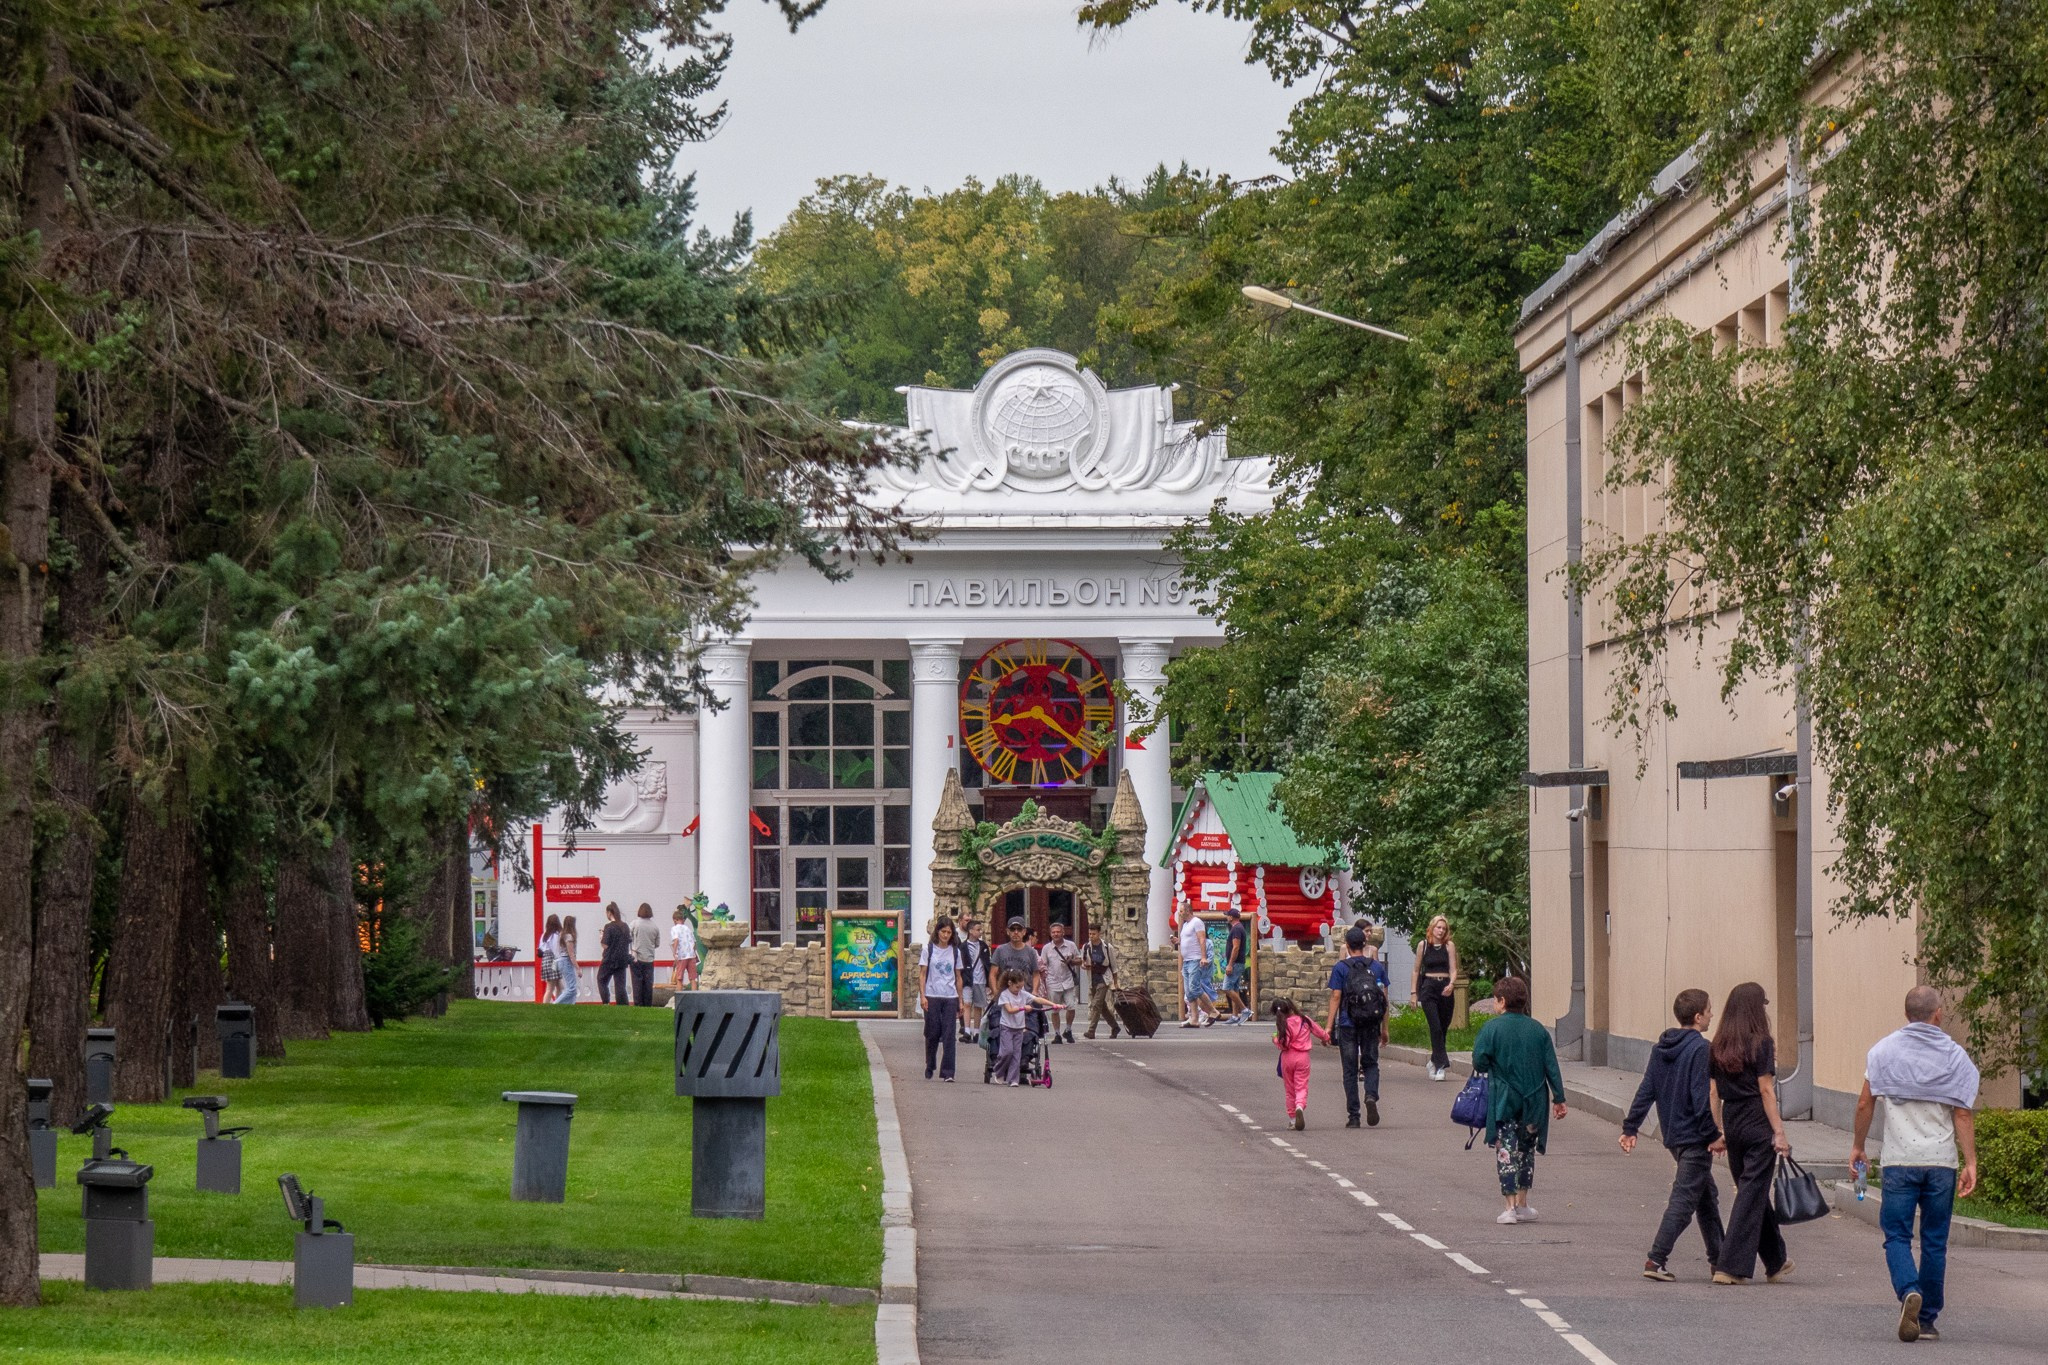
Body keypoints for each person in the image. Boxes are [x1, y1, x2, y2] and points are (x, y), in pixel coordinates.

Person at [1852, 985, 1981, 1343]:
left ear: (1906, 1014)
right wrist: (1970, 1161)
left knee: (1896, 1234)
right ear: (1937, 1014)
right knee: (1935, 1241)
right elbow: (1962, 1112)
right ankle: (1926, 1321)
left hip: (1899, 1162)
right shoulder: (1954, 1056)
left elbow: (1865, 1104)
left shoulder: (1883, 1051)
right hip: (1941, 1164)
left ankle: (1909, 1288)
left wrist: (1858, 1147)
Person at [1621, 988, 1724, 1281]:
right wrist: (1713, 1134)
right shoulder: (1700, 1049)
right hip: (1695, 1137)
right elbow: (1700, 1098)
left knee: (1706, 1197)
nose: (1711, 1015)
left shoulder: (1662, 1047)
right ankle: (1656, 1259)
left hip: (1674, 1137)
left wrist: (1631, 1127)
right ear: (1697, 1016)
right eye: (1709, 1010)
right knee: (1684, 1201)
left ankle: (1721, 1260)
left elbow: (1647, 1089)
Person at [1707, 981, 1793, 1285]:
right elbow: (1766, 1089)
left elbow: (1714, 1091)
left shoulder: (1719, 1044)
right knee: (1750, 1192)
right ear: (1757, 1009)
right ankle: (1728, 1266)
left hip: (1732, 1118)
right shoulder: (1761, 1043)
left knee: (1752, 1190)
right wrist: (1779, 1132)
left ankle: (1776, 1261)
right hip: (1757, 1119)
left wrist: (1717, 1130)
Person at [1470, 977, 1567, 1225]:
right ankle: (1523, 1203)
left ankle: (1509, 1207)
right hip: (1535, 1100)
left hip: (1504, 1099)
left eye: (1495, 998)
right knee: (1526, 1151)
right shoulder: (1538, 1030)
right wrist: (1559, 1098)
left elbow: (1479, 1060)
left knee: (1506, 1151)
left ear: (1502, 1001)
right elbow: (1551, 1067)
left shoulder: (1492, 1029)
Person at [1323, 926, 1390, 1128]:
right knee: (1371, 1063)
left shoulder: (1341, 968)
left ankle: (1354, 1116)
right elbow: (1383, 999)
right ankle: (1370, 1094)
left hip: (1348, 1023)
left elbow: (1336, 996)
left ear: (1347, 945)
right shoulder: (1377, 967)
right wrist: (1385, 1028)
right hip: (1371, 1023)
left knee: (1350, 1070)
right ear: (1364, 944)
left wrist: (1327, 1027)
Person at [919, 916, 968, 1081]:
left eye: (949, 932)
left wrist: (960, 1001)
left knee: (949, 1035)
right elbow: (922, 974)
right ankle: (930, 1062)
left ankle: (948, 1072)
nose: (946, 935)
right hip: (932, 995)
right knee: (932, 1033)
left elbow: (958, 976)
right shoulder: (929, 949)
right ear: (937, 931)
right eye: (943, 931)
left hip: (950, 996)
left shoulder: (955, 951)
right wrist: (923, 996)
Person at [1413, 915, 1460, 1081]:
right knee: (1436, 1027)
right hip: (1429, 988)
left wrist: (1452, 983)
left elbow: (1454, 969)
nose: (1441, 931)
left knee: (1443, 1028)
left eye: (1444, 928)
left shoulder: (1449, 946)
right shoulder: (1423, 945)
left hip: (1445, 987)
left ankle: (1433, 1060)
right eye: (1438, 927)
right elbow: (1416, 970)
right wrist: (1414, 993)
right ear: (1432, 928)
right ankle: (1441, 1066)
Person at [1272, 997, 1331, 1130]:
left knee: (1289, 1089)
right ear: (1292, 1007)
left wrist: (1275, 1039)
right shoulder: (1304, 1020)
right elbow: (1319, 1032)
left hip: (1287, 1058)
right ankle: (1300, 1106)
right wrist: (1326, 1038)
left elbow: (1283, 1044)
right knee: (1301, 1086)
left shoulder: (1283, 1024)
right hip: (1303, 1058)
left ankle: (1293, 1119)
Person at [994, 968, 1059, 1087]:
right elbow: (1009, 1010)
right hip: (1007, 1027)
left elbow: (1037, 999)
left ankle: (1013, 1079)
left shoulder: (1022, 994)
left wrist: (1053, 1004)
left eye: (1021, 987)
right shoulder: (1004, 995)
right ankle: (998, 1070)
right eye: (1017, 987)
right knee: (1007, 1051)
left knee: (1016, 1054)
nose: (1019, 990)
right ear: (1010, 983)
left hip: (1019, 1028)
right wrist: (1023, 1008)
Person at [1038, 921, 1081, 1043]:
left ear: (1063, 933)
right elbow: (1043, 964)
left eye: (1058, 932)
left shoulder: (1071, 945)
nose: (1056, 934)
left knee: (1071, 1006)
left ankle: (1068, 1029)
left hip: (1068, 981)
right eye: (1053, 932)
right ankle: (1057, 1034)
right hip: (1053, 982)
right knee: (1055, 1009)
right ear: (1050, 934)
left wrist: (1072, 961)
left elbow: (1080, 960)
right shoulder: (1047, 948)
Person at [1080, 925, 1122, 1040]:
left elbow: (1114, 966)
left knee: (1096, 1004)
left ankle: (1091, 1031)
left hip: (1104, 978)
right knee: (1102, 1007)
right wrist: (1084, 965)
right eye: (1090, 934)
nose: (1091, 936)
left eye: (1093, 934)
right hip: (1092, 978)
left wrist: (1115, 982)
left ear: (1099, 934)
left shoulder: (1107, 947)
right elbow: (1083, 961)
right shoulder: (1086, 947)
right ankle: (1115, 1026)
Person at [1178, 911, 1216, 1027]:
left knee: (1194, 989)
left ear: (1188, 911)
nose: (1179, 913)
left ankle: (1213, 1011)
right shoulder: (1185, 925)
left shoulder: (1197, 922)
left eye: (1181, 910)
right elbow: (1187, 941)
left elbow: (1202, 939)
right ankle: (1194, 1019)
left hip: (1195, 960)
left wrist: (1203, 957)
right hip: (1187, 960)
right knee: (1189, 992)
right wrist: (1177, 941)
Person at [989, 917, 1042, 998]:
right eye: (1012, 929)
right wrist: (995, 992)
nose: (1016, 932)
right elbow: (993, 974)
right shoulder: (1000, 950)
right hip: (1005, 994)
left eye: (1019, 929)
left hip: (1025, 994)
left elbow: (1036, 974)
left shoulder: (1031, 952)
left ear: (1024, 932)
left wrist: (1034, 991)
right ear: (1008, 931)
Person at [1220, 909, 1252, 1023]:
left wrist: (1230, 964)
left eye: (1227, 915)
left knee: (1227, 988)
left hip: (1235, 963)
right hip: (1238, 963)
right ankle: (1234, 1015)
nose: (1226, 917)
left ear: (1231, 917)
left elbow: (1236, 947)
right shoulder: (1239, 928)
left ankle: (1245, 1010)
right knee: (1234, 989)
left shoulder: (1236, 929)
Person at [597, 903, 632, 1005]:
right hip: (622, 958)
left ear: (609, 913)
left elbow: (605, 945)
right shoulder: (625, 926)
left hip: (609, 959)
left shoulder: (609, 927)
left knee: (601, 980)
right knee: (620, 985)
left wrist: (601, 936)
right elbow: (629, 940)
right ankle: (623, 1004)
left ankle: (606, 1002)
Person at [630, 902, 661, 1006]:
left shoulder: (635, 923)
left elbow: (628, 937)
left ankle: (638, 1003)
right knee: (648, 983)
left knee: (637, 982)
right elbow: (657, 944)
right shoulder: (655, 927)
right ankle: (647, 1004)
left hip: (636, 957)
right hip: (649, 959)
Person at [670, 907, 698, 991]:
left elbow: (676, 940)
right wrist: (693, 952)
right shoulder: (687, 928)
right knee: (693, 979)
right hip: (691, 955)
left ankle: (679, 997)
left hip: (682, 956)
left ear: (675, 920)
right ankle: (694, 998)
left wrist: (674, 953)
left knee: (679, 978)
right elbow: (695, 942)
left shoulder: (674, 928)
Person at [554, 915, 580, 1004]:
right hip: (566, 961)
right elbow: (571, 954)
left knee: (571, 988)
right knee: (572, 988)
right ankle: (555, 1004)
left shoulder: (561, 935)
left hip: (561, 961)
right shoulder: (569, 936)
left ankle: (570, 1006)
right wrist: (578, 968)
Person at [539, 913, 563, 1004]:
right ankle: (547, 1005)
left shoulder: (545, 935)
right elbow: (556, 951)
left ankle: (556, 1003)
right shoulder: (556, 935)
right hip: (553, 961)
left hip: (545, 960)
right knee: (551, 987)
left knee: (558, 985)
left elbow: (540, 948)